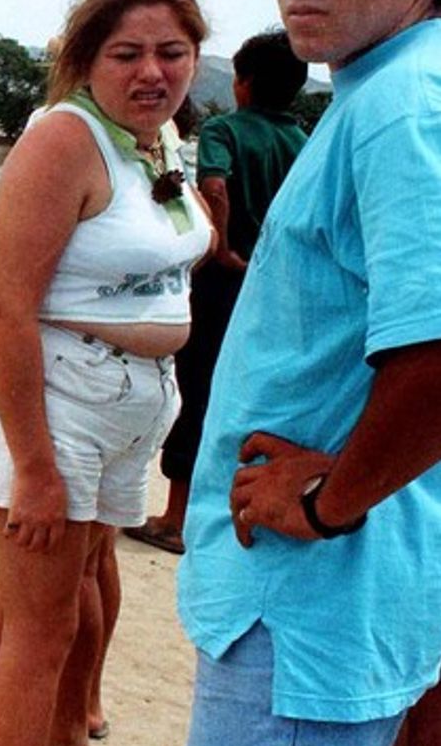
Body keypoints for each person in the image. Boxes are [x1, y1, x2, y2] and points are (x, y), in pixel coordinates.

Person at [175, 0, 441, 746]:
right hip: (337, 593)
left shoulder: (403, 109)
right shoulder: (384, 91)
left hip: (309, 597)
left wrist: (330, 499)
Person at [0, 0, 211, 746]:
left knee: (21, 596)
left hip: (128, 404)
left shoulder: (160, 137)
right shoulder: (61, 141)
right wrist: (34, 468)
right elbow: (4, 307)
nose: (153, 72)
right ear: (86, 59)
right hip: (62, 403)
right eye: (128, 54)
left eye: (173, 52)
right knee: (46, 630)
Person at [126, 31, 309, 555]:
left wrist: (222, 247)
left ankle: (177, 517)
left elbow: (216, 188)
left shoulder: (225, 130)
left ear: (243, 83)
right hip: (274, 284)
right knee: (253, 391)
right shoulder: (302, 140)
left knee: (197, 389)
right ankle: (244, 508)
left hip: (224, 280)